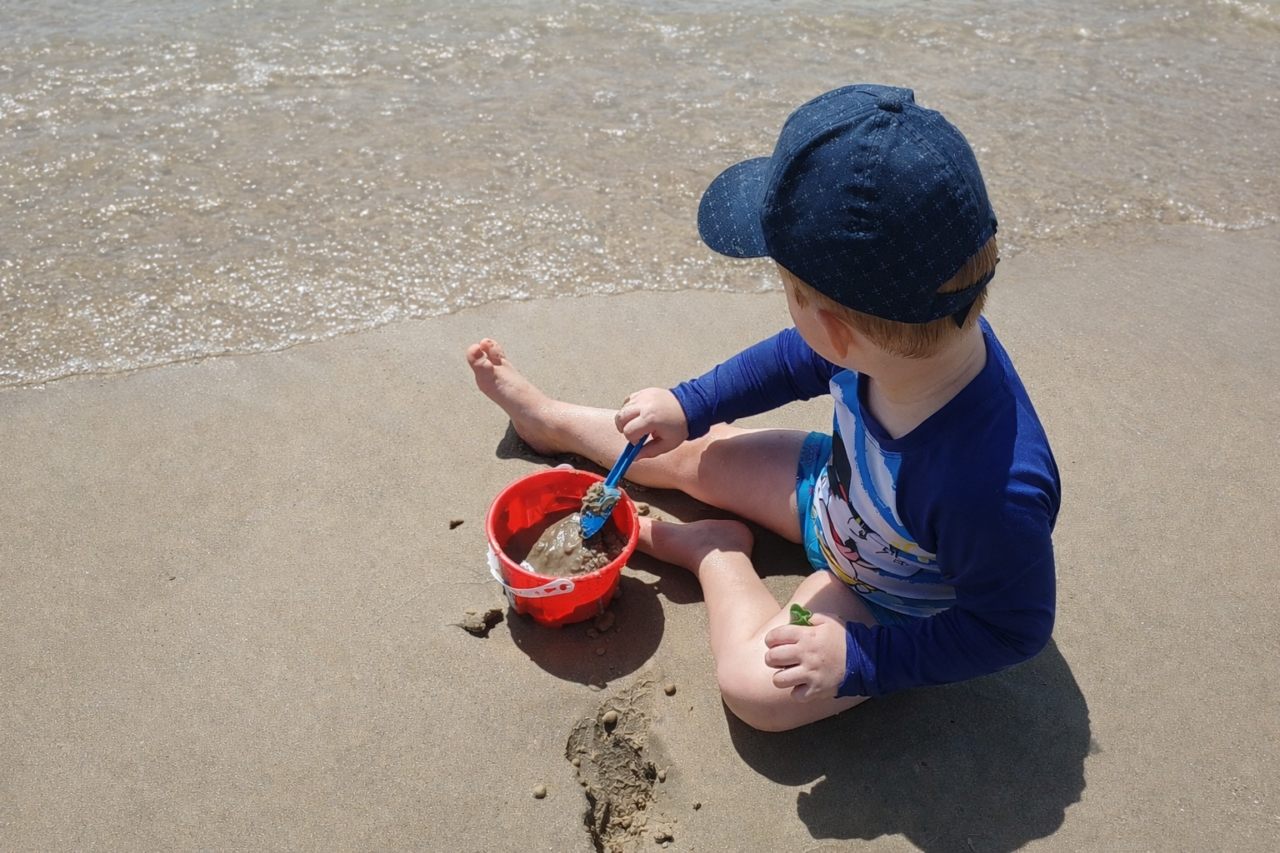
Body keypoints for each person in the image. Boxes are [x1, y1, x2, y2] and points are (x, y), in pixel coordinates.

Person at [467, 84, 1060, 732]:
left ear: (837, 331)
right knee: (677, 447)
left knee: (755, 687)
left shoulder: (989, 490)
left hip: (882, 593)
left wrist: (863, 657)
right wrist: (688, 405)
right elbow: (787, 360)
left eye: (787, 289)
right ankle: (550, 419)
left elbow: (1010, 628)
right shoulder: (905, 330)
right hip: (829, 490)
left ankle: (715, 554)